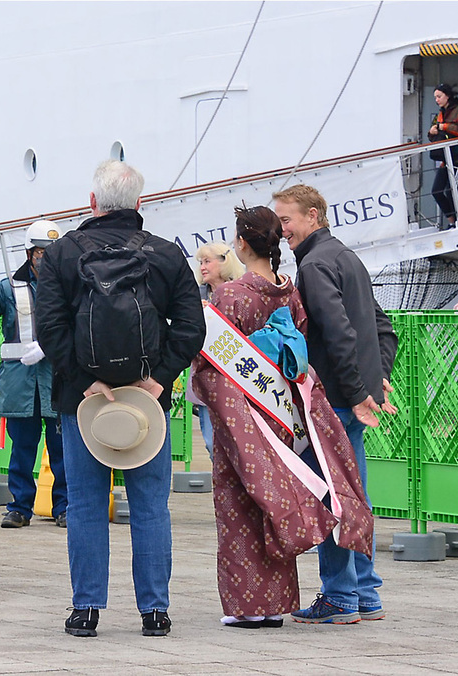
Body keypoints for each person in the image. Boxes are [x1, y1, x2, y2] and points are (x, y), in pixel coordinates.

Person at [35, 160, 205, 637]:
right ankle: (155, 612)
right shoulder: (166, 254)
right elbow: (191, 327)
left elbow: (49, 328)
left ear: (92, 204)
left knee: (88, 504)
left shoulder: (64, 254)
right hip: (145, 401)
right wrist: (160, 380)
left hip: (84, 402)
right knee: (150, 505)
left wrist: (84, 382)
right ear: (139, 204)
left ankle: (86, 609)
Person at [192, 206, 374, 629]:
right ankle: (278, 600)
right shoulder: (287, 293)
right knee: (275, 501)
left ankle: (249, 606)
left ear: (240, 243)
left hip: (243, 412)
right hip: (282, 411)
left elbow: (210, 366)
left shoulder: (231, 295)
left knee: (241, 506)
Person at [273, 184, 398, 624]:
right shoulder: (346, 256)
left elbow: (336, 333)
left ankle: (340, 596)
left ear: (313, 216)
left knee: (333, 497)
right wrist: (376, 380)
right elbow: (383, 328)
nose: (282, 229)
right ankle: (365, 592)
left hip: (336, 403)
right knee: (356, 495)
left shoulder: (314, 264)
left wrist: (358, 390)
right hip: (355, 397)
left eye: (286, 219)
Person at [0, 220, 67, 529]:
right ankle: (19, 507)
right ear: (29, 252)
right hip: (20, 383)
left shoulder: (67, 284)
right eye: (41, 252)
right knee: (22, 450)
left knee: (61, 449)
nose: (46, 258)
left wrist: (49, 346)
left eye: (52, 252)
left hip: (57, 380)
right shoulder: (8, 287)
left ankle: (64, 506)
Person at [187, 242, 244, 461]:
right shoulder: (193, 295)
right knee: (212, 443)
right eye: (200, 262)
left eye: (207, 261)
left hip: (236, 377)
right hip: (204, 377)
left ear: (224, 261)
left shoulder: (240, 291)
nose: (202, 267)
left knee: (238, 441)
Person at [428, 84, 458, 229]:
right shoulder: (440, 114)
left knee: (451, 190)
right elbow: (433, 135)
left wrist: (444, 127)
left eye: (439, 96)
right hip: (445, 160)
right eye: (435, 97)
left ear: (447, 96)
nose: (437, 100)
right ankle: (452, 221)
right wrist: (432, 131)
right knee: (436, 191)